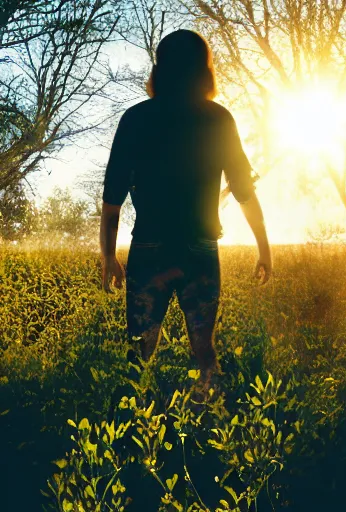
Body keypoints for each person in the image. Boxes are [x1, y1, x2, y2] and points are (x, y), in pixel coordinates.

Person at [99, 30, 272, 390]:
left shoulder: (136, 118)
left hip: (149, 248)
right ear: (204, 70)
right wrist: (264, 249)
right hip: (200, 248)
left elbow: (112, 198)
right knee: (204, 349)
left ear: (160, 69)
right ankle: (209, 420)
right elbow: (244, 192)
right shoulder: (218, 119)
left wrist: (108, 256)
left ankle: (135, 424)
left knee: (139, 350)